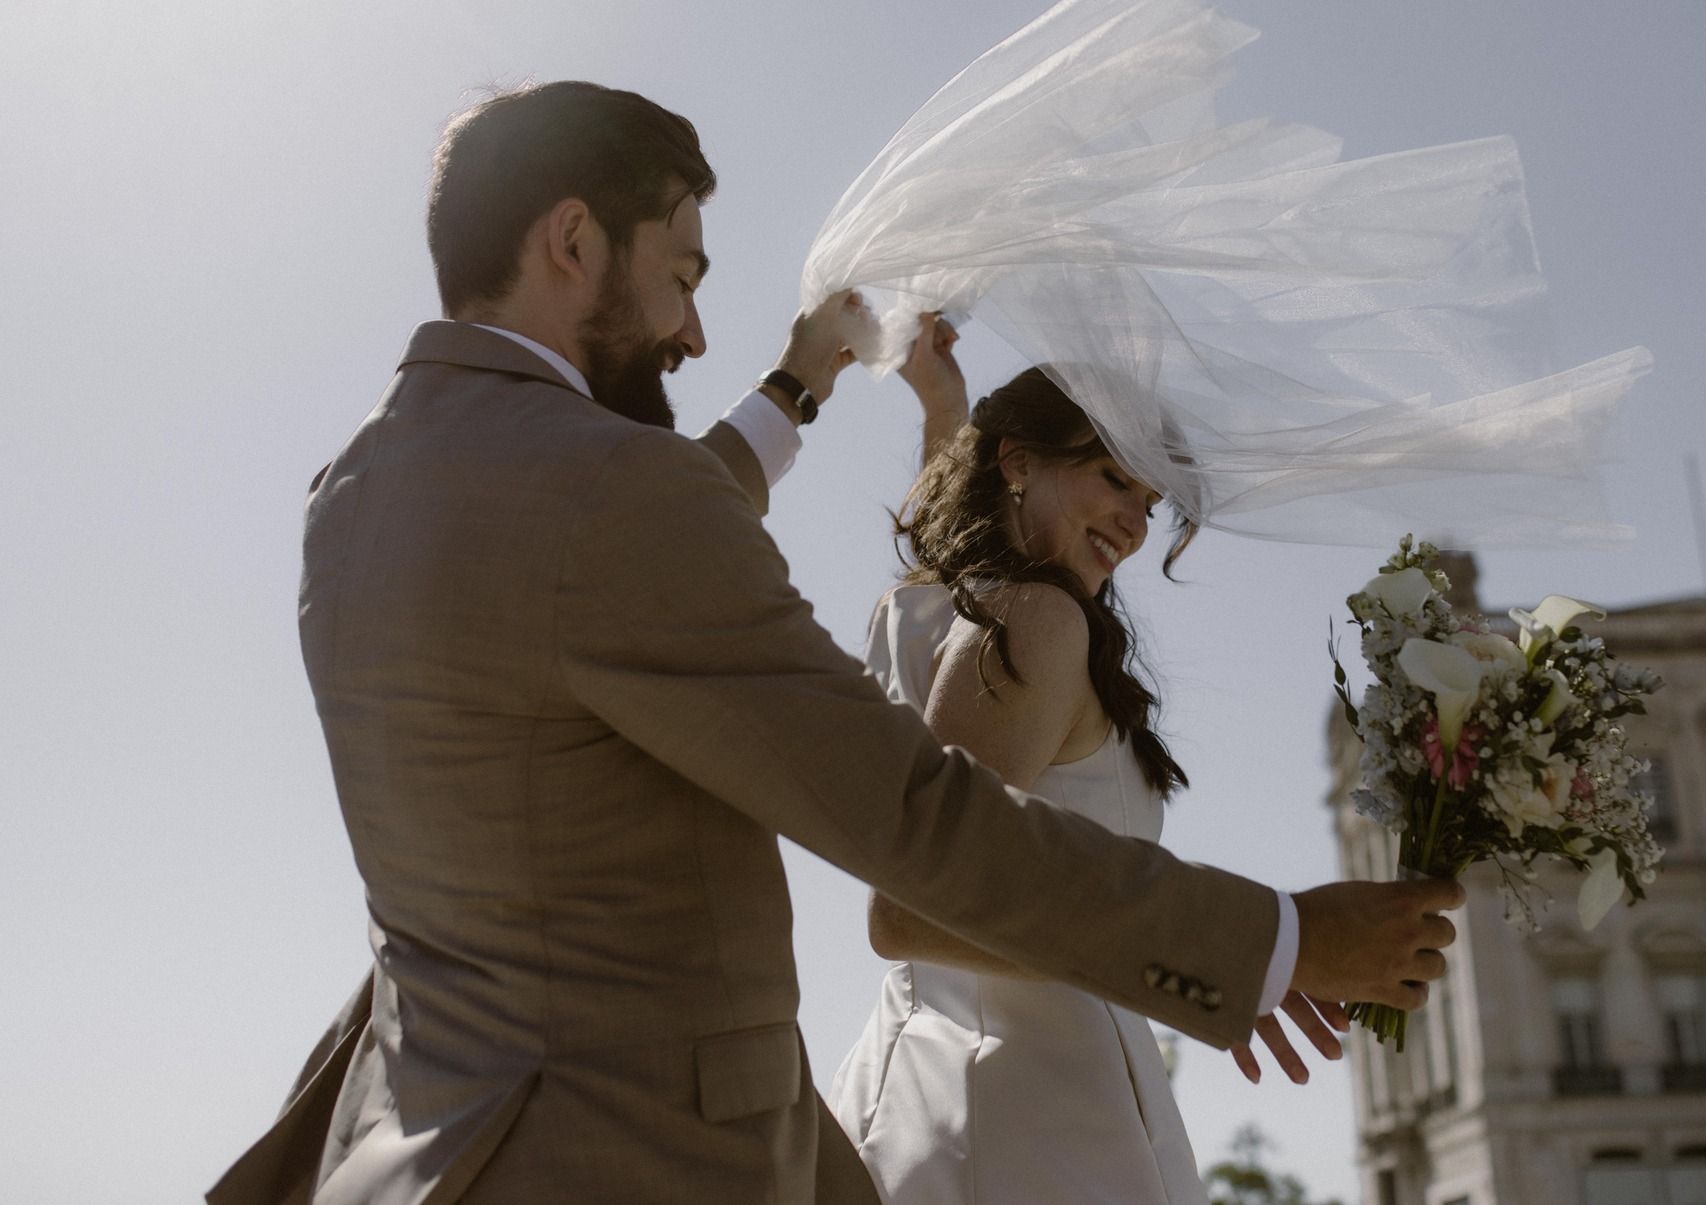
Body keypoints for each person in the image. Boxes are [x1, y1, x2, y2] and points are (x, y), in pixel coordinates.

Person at [207, 80, 1463, 1205]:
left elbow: (607, 550)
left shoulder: (360, 486)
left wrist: (800, 384)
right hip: (630, 1153)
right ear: (573, 240)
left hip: (420, 1134)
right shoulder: (614, 502)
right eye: (685, 277)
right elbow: (917, 820)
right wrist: (1279, 940)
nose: (694, 333)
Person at [830, 320, 1345, 1204]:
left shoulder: (917, 610)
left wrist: (942, 406)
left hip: (930, 1089)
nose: (1136, 525)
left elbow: (946, 534)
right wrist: (1238, 954)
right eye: (1113, 479)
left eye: (1150, 501)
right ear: (1018, 461)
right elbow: (916, 904)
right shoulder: (1041, 619)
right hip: (1032, 1123)